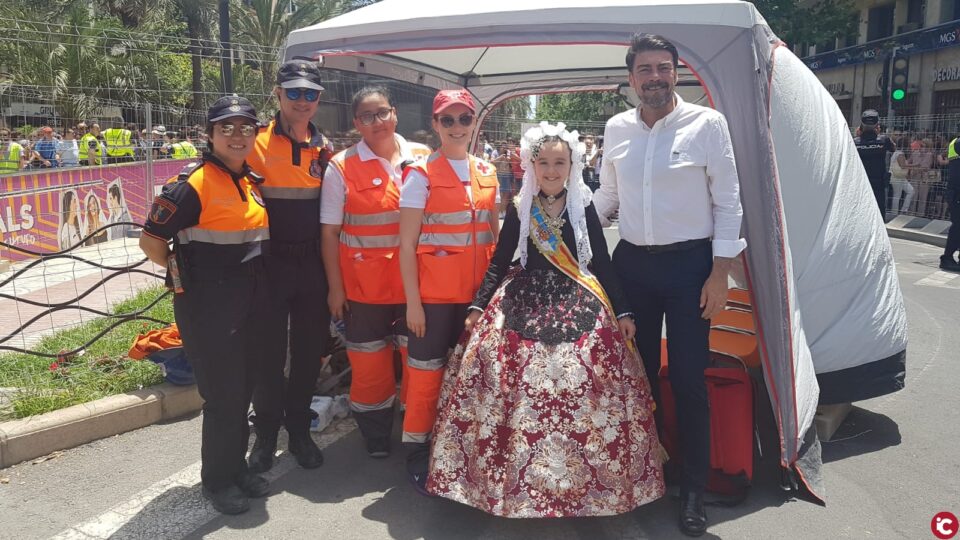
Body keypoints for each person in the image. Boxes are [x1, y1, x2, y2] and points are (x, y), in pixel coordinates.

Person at [427, 121, 665, 517]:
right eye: (544, 163)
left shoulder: (583, 206)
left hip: (577, 297)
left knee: (587, 374)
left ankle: (588, 483)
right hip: (523, 298)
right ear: (530, 166)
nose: (552, 171)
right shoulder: (521, 207)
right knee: (501, 371)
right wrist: (477, 306)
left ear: (572, 166)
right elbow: (500, 261)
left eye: (560, 163)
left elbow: (601, 262)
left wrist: (622, 310)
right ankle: (508, 480)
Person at [593, 33, 747, 537]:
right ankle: (645, 476)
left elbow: (728, 202)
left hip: (690, 272)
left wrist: (719, 274)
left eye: (663, 68)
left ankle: (694, 491)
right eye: (644, 70)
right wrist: (551, 229)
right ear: (631, 77)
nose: (654, 78)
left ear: (677, 72)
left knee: (687, 381)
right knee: (634, 379)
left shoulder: (708, 124)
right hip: (632, 269)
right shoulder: (617, 128)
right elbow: (606, 199)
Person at [139, 95, 270, 514]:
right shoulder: (192, 184)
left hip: (248, 303)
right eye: (226, 127)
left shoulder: (249, 180)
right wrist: (188, 278)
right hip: (208, 307)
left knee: (243, 389)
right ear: (210, 134)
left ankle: (237, 470)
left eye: (245, 127)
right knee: (224, 397)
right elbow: (151, 242)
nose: (236, 135)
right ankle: (217, 482)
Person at [320, 86, 432, 458]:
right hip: (363, 291)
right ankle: (376, 435)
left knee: (417, 363)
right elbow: (330, 233)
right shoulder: (341, 166)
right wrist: (335, 290)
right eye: (367, 116)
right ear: (357, 124)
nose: (377, 122)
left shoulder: (423, 157)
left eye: (382, 113)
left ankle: (417, 432)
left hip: (415, 289)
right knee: (369, 367)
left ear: (395, 113)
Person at [398, 88, 500, 493]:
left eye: (464, 119)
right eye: (448, 120)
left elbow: (496, 233)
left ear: (474, 123)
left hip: (478, 298)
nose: (457, 127)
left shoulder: (487, 172)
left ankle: (464, 449)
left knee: (474, 376)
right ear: (435, 124)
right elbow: (406, 245)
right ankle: (418, 451)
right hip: (435, 300)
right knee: (426, 376)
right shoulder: (420, 174)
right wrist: (413, 304)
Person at [245, 60, 333, 474]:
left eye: (310, 94)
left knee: (308, 351)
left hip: (311, 264)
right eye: (293, 92)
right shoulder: (254, 143)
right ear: (277, 94)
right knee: (266, 352)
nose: (302, 101)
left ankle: (298, 429)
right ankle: (264, 434)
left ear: (319, 99)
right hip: (269, 263)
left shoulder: (326, 147)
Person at [854, 110, 895, 219]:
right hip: (879, 183)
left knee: (859, 210)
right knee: (878, 211)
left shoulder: (855, 142)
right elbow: (893, 148)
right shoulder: (884, 140)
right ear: (877, 124)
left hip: (860, 182)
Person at [942, 129, 960, 272]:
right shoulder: (958, 143)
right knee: (958, 227)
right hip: (957, 193)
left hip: (955, 191)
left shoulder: (955, 142)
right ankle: (947, 258)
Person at [888, 137, 914, 215]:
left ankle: (903, 210)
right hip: (897, 177)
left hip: (899, 177)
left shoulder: (896, 153)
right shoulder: (900, 154)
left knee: (911, 191)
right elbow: (903, 166)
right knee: (898, 195)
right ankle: (895, 213)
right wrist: (915, 165)